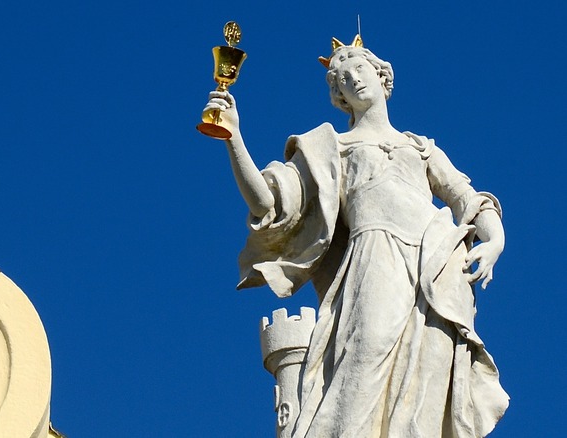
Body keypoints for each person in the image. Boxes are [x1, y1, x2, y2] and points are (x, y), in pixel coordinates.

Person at [203, 37, 508, 437]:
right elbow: (267, 203)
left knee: (432, 372)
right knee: (364, 354)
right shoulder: (332, 149)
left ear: (383, 77)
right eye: (341, 78)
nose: (352, 79)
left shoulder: (419, 148)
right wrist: (234, 139)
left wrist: (494, 241)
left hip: (436, 264)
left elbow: (470, 200)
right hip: (375, 257)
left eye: (359, 69)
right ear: (338, 95)